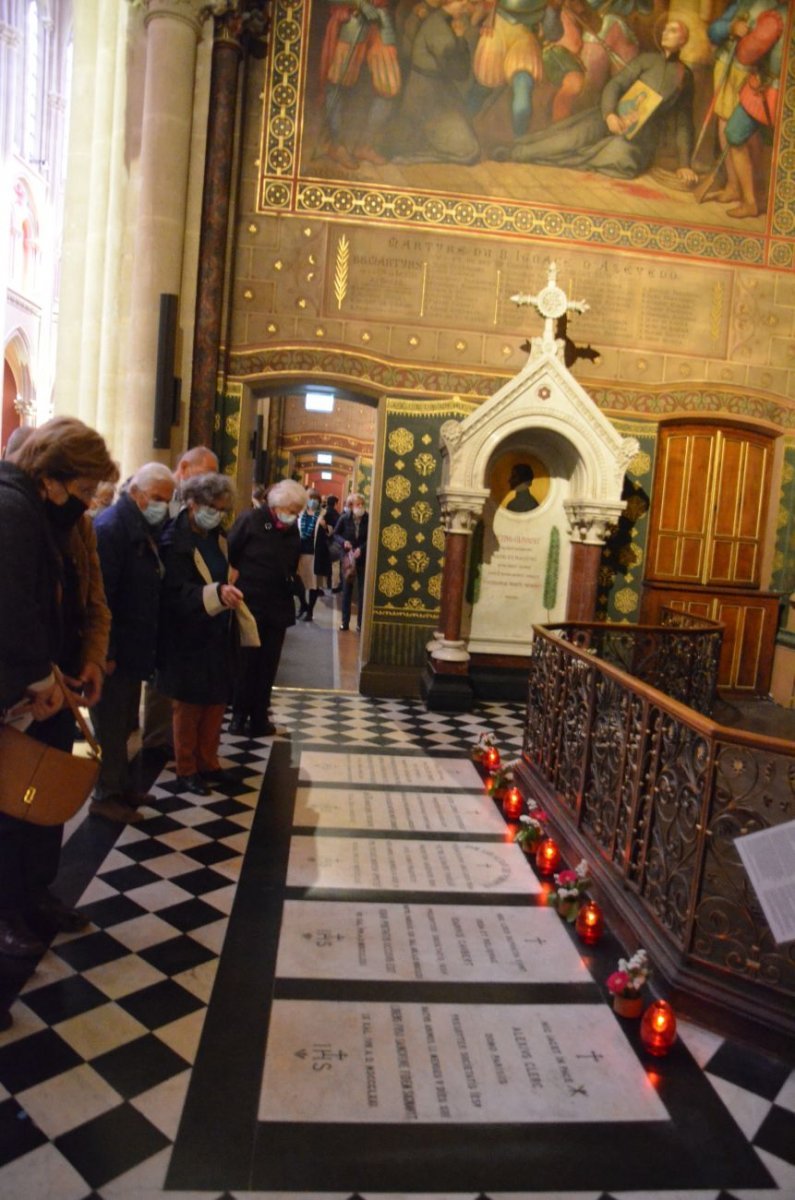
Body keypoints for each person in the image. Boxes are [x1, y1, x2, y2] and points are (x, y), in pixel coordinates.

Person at [0, 416, 118, 959]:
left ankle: (33, 893)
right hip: (23, 686)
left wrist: (85, 662)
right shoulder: (13, 510)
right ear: (53, 477)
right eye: (85, 489)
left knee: (42, 792)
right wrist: (43, 679)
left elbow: (83, 599)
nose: (88, 502)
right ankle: (7, 908)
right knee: (8, 803)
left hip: (52, 684)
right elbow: (13, 612)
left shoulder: (47, 517)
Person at [500, 19, 696, 184]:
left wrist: (685, 164)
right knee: (572, 138)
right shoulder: (648, 60)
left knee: (620, 158)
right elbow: (615, 85)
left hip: (639, 136)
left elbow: (684, 120)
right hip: (611, 114)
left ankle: (533, 155)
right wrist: (610, 114)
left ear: (684, 39)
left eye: (672, 30)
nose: (665, 32)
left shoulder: (684, 76)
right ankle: (517, 152)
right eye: (665, 29)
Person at [90, 462, 175, 823]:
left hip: (132, 645)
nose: (162, 506)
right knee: (109, 725)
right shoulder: (111, 528)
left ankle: (122, 786)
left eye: (167, 500)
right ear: (137, 494)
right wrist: (104, 652)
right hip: (116, 648)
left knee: (125, 721)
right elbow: (101, 596)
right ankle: (105, 795)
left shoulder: (138, 525)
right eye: (158, 498)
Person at [156, 473, 243, 795]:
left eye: (223, 509)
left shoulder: (216, 536)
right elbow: (175, 591)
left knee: (216, 698)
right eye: (213, 507)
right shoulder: (175, 537)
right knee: (189, 704)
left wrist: (228, 586)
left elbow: (221, 570)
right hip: (186, 632)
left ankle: (209, 761)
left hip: (216, 629)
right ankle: (187, 768)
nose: (218, 513)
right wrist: (215, 593)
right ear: (192, 503)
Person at [142, 443, 220, 751]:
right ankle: (156, 744)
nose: (209, 482)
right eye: (206, 473)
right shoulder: (161, 499)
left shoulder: (198, 504)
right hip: (157, 600)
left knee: (178, 679)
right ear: (185, 468)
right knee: (159, 680)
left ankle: (178, 742)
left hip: (185, 598)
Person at [227, 479, 305, 736]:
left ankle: (260, 715)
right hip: (249, 603)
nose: (292, 516)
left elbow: (292, 562)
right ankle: (239, 716)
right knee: (245, 663)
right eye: (289, 510)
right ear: (276, 505)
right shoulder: (251, 520)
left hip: (278, 606)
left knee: (268, 664)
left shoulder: (292, 530)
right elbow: (231, 552)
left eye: (296, 511)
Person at [334, 491, 369, 632]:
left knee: (362, 592)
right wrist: (344, 543)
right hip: (348, 559)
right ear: (351, 505)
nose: (360, 507)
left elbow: (370, 536)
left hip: (362, 558)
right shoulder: (344, 518)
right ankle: (345, 622)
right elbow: (335, 534)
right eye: (357, 504)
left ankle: (360, 623)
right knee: (347, 590)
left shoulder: (368, 519)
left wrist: (361, 548)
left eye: (362, 504)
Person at [296, 490, 323, 621]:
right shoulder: (300, 515)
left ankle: (310, 612)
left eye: (315, 498)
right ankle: (303, 604)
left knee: (313, 585)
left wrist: (326, 527)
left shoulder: (322, 516)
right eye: (310, 498)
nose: (312, 501)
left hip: (314, 555)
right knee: (298, 582)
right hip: (300, 553)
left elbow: (331, 531)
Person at [316, 494, 340, 592]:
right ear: (335, 504)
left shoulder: (322, 513)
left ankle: (321, 586)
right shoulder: (336, 514)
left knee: (322, 564)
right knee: (335, 564)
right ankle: (334, 586)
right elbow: (336, 529)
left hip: (321, 542)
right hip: (333, 542)